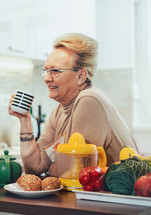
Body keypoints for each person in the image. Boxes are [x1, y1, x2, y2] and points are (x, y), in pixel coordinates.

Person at [8, 33, 138, 176]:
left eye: (55, 71)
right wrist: (25, 120)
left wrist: (51, 167)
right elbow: (35, 167)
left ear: (81, 76)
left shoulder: (89, 100)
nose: (46, 78)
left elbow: (75, 172)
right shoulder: (58, 111)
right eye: (45, 71)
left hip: (120, 195)